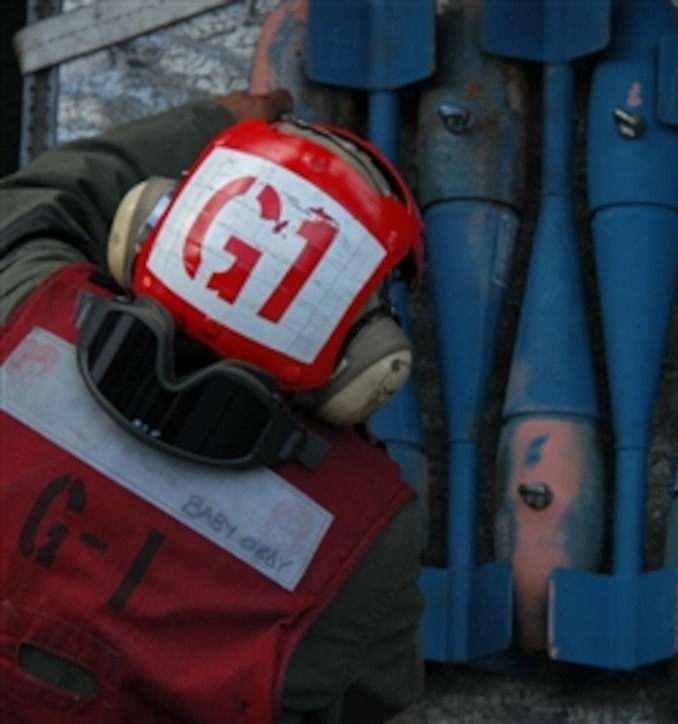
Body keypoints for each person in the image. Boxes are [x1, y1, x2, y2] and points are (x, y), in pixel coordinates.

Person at [0, 88, 427, 722]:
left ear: (151, 222)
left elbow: (47, 195)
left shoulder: (20, 304)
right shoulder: (366, 543)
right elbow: (366, 697)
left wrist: (223, 118)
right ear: (367, 365)